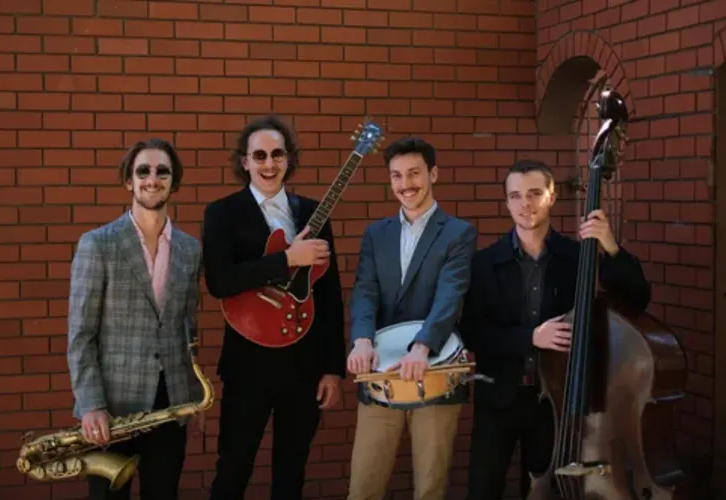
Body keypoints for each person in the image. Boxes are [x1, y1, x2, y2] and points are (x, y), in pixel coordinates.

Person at [459, 159, 652, 500]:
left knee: (544, 492)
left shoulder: (578, 257)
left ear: (551, 198)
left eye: (535, 193)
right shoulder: (484, 263)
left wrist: (610, 245)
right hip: (498, 399)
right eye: (516, 196)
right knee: (483, 490)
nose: (525, 204)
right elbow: (473, 333)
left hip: (558, 404)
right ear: (507, 203)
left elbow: (637, 299)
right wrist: (530, 338)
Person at [202, 115, 346, 500]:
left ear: (289, 159)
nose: (269, 163)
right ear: (245, 161)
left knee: (291, 473)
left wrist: (333, 368)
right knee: (233, 470)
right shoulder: (222, 213)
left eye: (277, 154)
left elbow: (329, 294)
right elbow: (220, 281)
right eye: (260, 155)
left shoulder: (312, 212)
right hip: (247, 365)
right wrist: (287, 259)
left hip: (304, 365)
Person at [66, 138, 205, 500]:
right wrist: (91, 404)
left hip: (170, 404)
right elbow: (81, 335)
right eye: (143, 171)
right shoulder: (97, 244)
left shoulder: (191, 249)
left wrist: (192, 396)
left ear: (174, 182)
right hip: (111, 410)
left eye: (163, 172)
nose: (152, 179)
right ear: (129, 180)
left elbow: (187, 327)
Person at [345, 136, 477, 500]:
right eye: (397, 175)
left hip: (434, 368)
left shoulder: (459, 233)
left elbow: (451, 294)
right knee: (363, 488)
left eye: (414, 173)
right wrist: (361, 339)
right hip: (380, 376)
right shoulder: (376, 234)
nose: (406, 184)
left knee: (430, 490)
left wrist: (422, 347)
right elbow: (365, 290)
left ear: (433, 174)